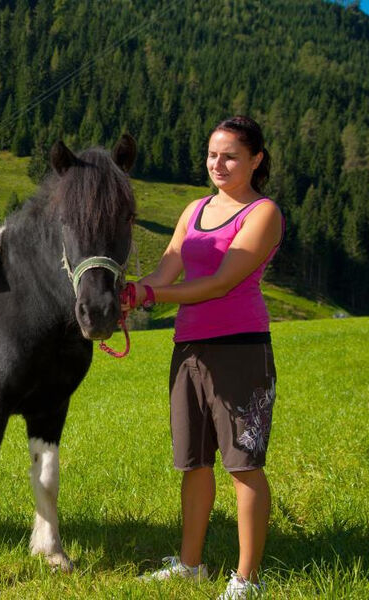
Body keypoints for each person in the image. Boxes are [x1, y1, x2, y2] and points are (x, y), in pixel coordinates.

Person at [131, 116, 283, 600]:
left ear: (255, 160)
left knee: (242, 464)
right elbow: (170, 262)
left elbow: (222, 281)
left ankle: (247, 580)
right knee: (193, 462)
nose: (218, 164)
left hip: (239, 348)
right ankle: (191, 565)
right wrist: (137, 288)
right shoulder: (195, 208)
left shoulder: (262, 212)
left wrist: (151, 295)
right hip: (189, 349)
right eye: (213, 154)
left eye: (231, 156)